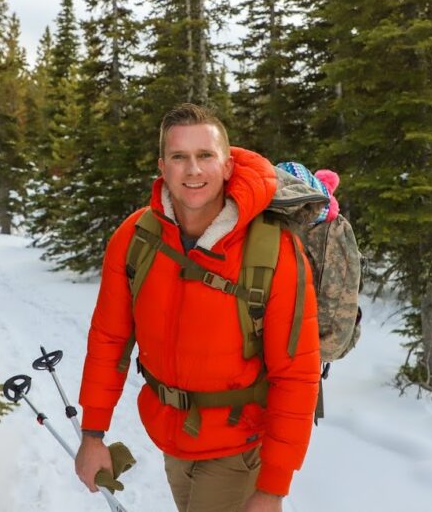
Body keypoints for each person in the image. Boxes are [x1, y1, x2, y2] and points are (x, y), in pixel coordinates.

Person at [75, 103, 321, 512]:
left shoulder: (271, 250)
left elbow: (296, 375)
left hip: (238, 446)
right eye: (179, 157)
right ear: (162, 167)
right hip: (173, 438)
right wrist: (93, 434)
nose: (193, 170)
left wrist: (272, 488)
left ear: (226, 165)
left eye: (205, 155)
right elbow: (109, 339)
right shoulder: (134, 237)